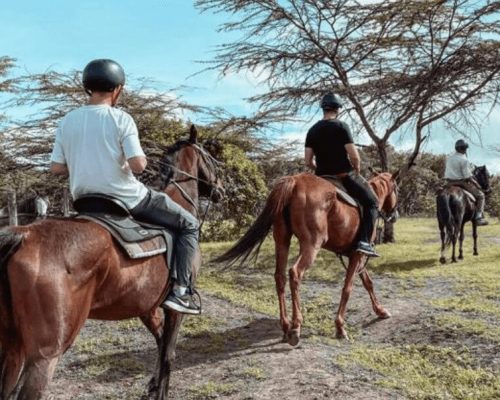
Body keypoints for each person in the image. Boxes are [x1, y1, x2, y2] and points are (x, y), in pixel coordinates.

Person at [50, 59, 202, 314]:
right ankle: (181, 291)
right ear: (118, 89)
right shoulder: (121, 119)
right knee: (189, 224)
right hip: (126, 199)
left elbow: (56, 168)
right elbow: (138, 165)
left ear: (88, 88)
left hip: (85, 201)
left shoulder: (67, 121)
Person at [305, 93, 380, 257]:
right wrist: (357, 168)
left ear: (323, 108)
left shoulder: (312, 130)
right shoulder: (341, 126)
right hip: (343, 176)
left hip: (321, 177)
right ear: (338, 109)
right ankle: (365, 242)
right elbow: (354, 156)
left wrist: (320, 168)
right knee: (373, 202)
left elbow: (308, 161)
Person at [444, 139, 488, 226]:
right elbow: (467, 176)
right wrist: (477, 185)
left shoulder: (449, 157)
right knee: (481, 196)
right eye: (465, 149)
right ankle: (478, 218)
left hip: (448, 183)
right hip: (460, 182)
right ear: (464, 149)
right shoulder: (464, 160)